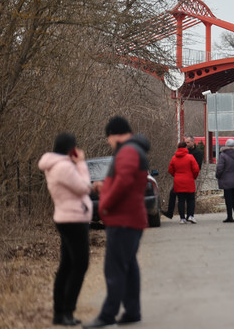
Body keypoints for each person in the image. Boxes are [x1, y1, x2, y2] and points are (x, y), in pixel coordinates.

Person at [83, 116, 150, 328]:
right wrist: (105, 186)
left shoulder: (128, 151)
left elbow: (124, 183)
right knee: (128, 266)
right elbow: (123, 181)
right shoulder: (132, 150)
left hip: (123, 219)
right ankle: (132, 311)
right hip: (130, 218)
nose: (108, 143)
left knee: (114, 269)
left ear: (114, 134)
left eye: (108, 138)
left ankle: (107, 315)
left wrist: (104, 205)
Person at [38, 133, 92, 326]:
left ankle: (61, 312)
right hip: (73, 220)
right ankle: (66, 310)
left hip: (68, 218)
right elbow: (84, 187)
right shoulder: (64, 167)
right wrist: (82, 164)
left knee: (67, 265)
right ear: (70, 149)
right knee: (80, 264)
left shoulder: (57, 165)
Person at [163, 135, 203, 219]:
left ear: (193, 142)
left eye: (188, 142)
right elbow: (171, 168)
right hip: (183, 178)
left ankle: (187, 215)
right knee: (175, 195)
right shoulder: (182, 153)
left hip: (188, 178)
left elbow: (197, 167)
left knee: (187, 197)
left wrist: (192, 176)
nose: (187, 144)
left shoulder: (196, 153)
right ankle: (172, 213)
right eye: (185, 142)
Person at [168, 142, 200, 224]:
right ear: (185, 147)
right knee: (191, 199)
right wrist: (194, 177)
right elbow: (196, 169)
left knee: (181, 200)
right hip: (189, 180)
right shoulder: (190, 157)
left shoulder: (174, 158)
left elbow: (170, 170)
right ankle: (190, 216)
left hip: (178, 181)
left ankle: (182, 218)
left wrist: (176, 175)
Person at [215, 138, 234, 223]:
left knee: (228, 199)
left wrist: (218, 176)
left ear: (226, 145)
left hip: (226, 179)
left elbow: (220, 168)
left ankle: (229, 216)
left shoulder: (223, 155)